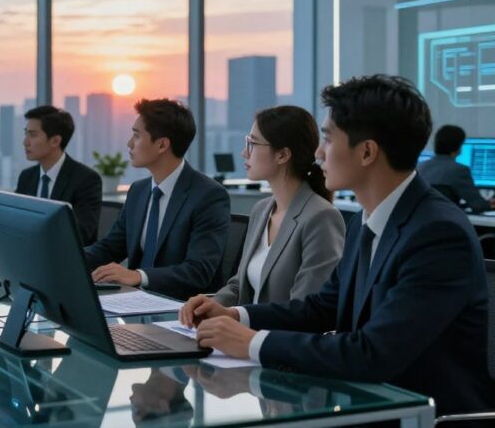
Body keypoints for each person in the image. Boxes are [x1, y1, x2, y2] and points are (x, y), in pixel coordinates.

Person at [189, 75, 495, 417]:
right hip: (368, 406)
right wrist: (237, 314)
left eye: (328, 139)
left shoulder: (436, 233)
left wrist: (252, 343)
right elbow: (323, 306)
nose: (319, 153)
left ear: (366, 152)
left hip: (422, 416)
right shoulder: (368, 220)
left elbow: (372, 353)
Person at [179, 106, 344, 319]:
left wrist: (237, 317)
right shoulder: (262, 210)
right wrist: (209, 305)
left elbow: (305, 309)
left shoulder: (321, 217)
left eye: (252, 143)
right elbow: (240, 285)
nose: (244, 152)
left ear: (283, 155)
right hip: (242, 339)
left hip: (278, 344)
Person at [85, 99, 230, 300]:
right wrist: (61, 259)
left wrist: (138, 276)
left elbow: (198, 271)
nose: (129, 143)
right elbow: (110, 247)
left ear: (162, 144)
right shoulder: (138, 191)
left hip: (182, 311)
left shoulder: (208, 195)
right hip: (135, 304)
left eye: (136, 135)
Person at [0, 105, 102, 246]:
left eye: (33, 135)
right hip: (27, 258)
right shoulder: (27, 177)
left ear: (55, 141)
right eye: (26, 134)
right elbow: (15, 222)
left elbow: (82, 235)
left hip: (64, 262)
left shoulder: (86, 180)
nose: (25, 142)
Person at [418, 124, 495, 213]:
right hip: (447, 222)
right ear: (458, 147)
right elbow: (478, 206)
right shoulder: (459, 170)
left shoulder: (420, 167)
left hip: (422, 222)